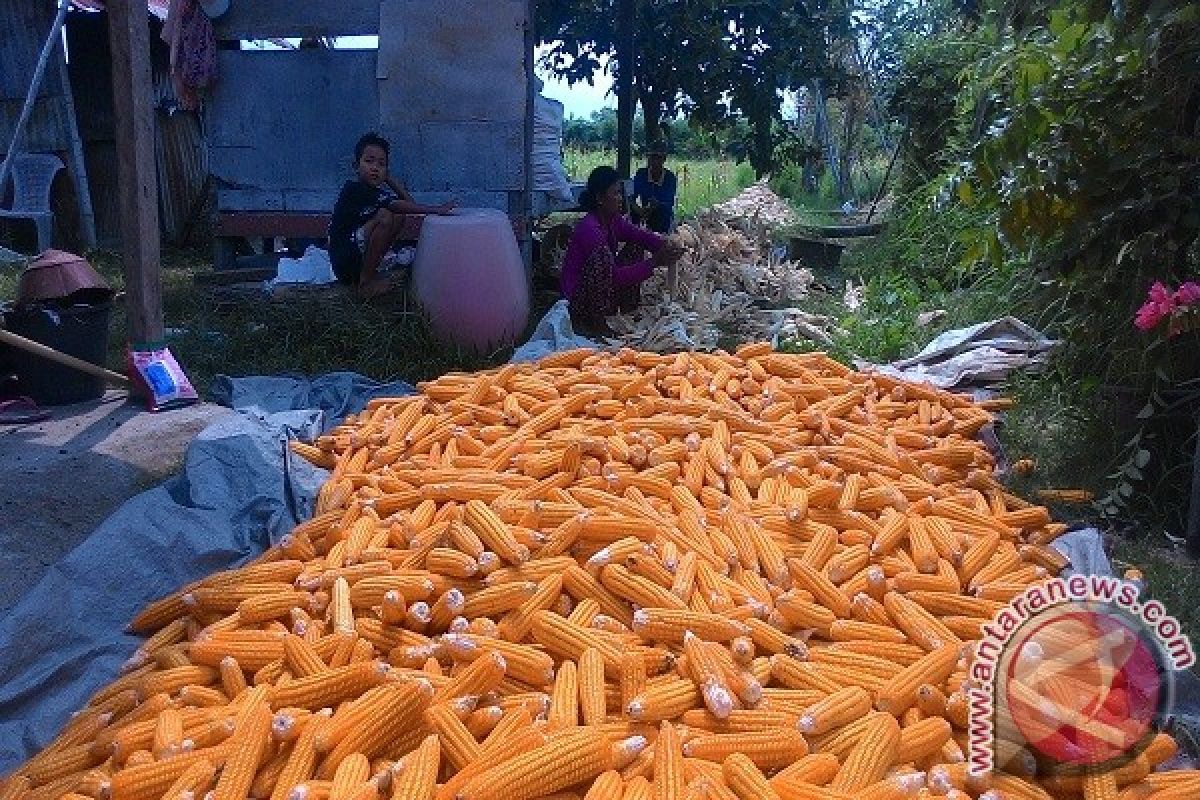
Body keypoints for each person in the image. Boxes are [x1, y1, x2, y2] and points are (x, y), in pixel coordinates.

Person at [328, 133, 456, 298]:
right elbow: (397, 205)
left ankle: (368, 274)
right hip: (343, 260)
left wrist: (389, 179)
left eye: (381, 164)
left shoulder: (374, 192)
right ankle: (365, 284)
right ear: (356, 166)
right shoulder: (354, 189)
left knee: (398, 216)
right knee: (386, 216)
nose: (375, 168)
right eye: (369, 161)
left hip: (354, 256)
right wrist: (436, 209)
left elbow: (408, 203)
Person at [561, 166, 682, 336]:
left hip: (601, 289)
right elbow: (614, 277)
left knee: (636, 245)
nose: (621, 199)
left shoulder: (612, 220)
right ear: (600, 198)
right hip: (579, 300)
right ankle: (595, 323)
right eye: (616, 193)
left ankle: (626, 309)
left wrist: (664, 245)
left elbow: (639, 235)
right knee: (601, 258)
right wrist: (655, 262)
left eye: (620, 193)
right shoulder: (589, 229)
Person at [631, 143, 678, 233]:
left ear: (664, 159)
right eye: (652, 157)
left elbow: (669, 203)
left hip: (662, 216)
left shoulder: (669, 178)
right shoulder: (641, 174)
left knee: (662, 215)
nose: (655, 161)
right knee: (631, 213)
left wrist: (657, 204)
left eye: (658, 157)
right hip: (644, 212)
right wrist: (637, 208)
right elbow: (631, 196)